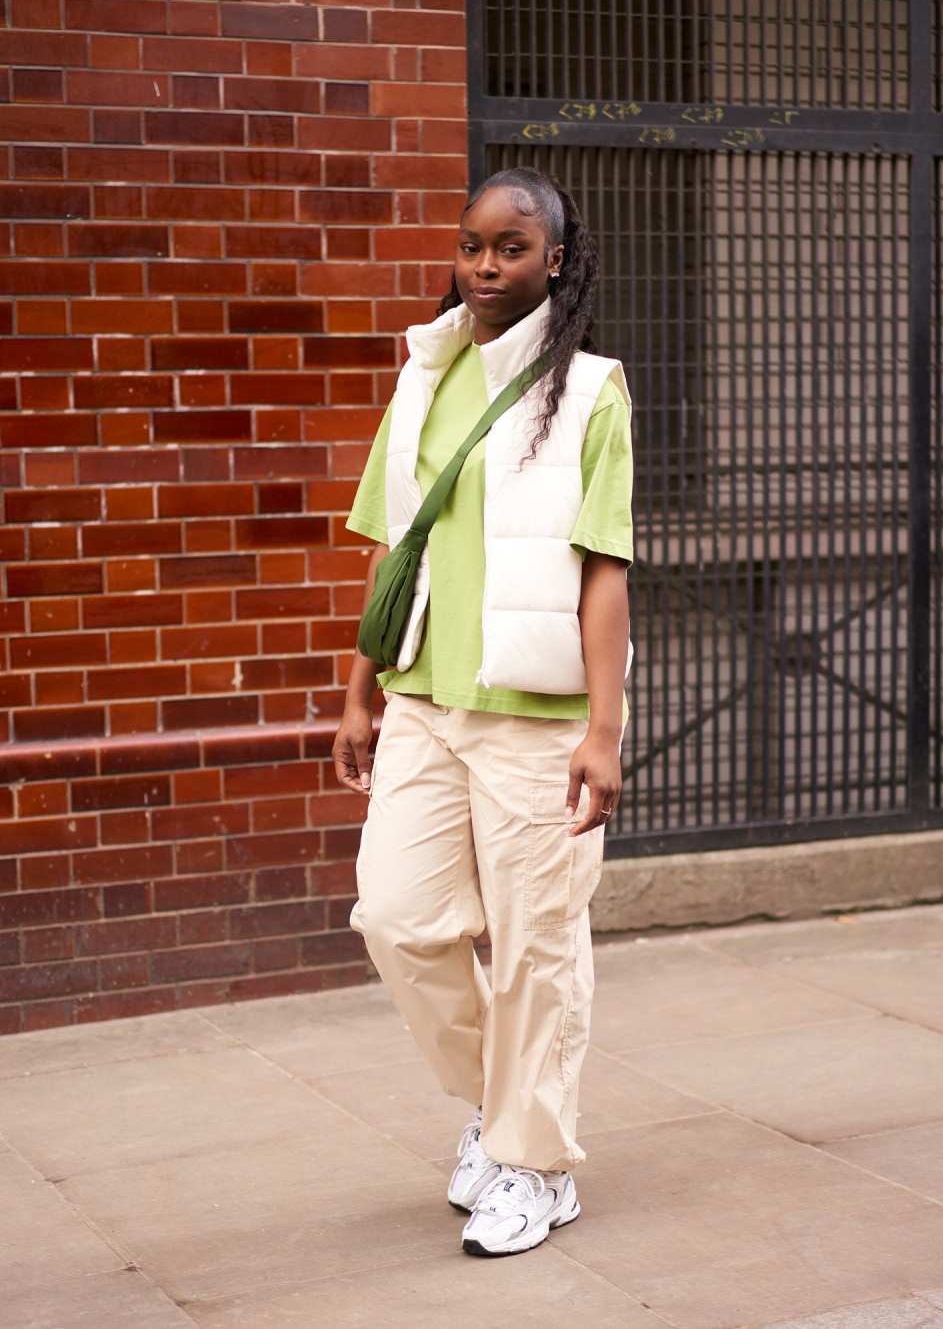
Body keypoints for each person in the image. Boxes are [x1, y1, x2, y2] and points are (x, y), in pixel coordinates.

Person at [333, 166, 633, 1257]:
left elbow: (605, 568)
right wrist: (360, 690)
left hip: (535, 717)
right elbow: (390, 546)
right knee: (397, 919)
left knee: (539, 944)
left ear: (553, 258)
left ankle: (534, 1164)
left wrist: (602, 732)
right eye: (473, 246)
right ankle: (501, 1109)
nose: (486, 266)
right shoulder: (424, 371)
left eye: (511, 248)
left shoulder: (593, 389)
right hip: (422, 700)